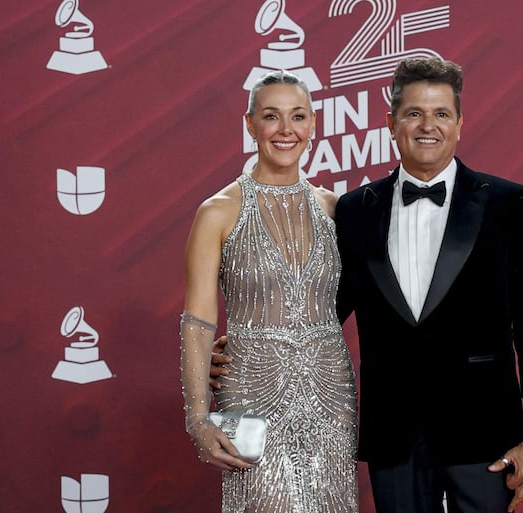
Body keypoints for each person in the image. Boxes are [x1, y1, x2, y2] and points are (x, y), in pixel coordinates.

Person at [212, 57, 523, 513]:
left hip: (485, 433)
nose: (427, 126)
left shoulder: (506, 203)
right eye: (414, 113)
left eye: (441, 114)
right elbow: (321, 310)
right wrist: (245, 348)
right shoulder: (356, 210)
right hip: (394, 435)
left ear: (459, 123)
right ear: (391, 124)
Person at [180, 69, 359, 513]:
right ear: (250, 124)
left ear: (314, 125)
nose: (286, 130)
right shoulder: (217, 212)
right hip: (250, 389)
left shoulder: (335, 209)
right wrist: (199, 419)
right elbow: (199, 323)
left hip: (330, 390)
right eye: (271, 116)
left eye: (298, 116)